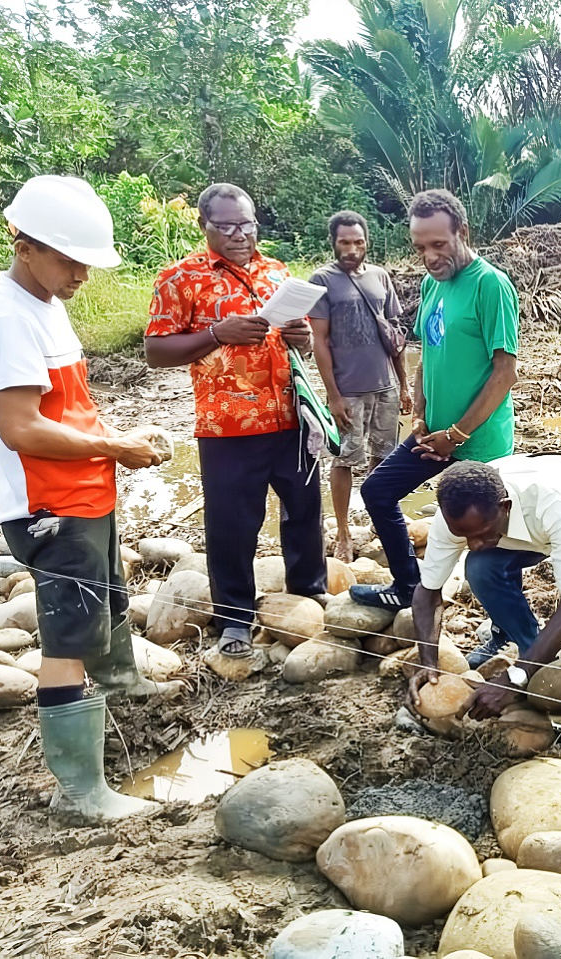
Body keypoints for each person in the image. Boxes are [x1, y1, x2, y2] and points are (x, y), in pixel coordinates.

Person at [0, 176, 176, 821]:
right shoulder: (7, 316)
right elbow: (21, 427)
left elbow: (63, 408)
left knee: (108, 593)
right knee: (65, 642)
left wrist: (117, 438)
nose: (82, 276)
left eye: (87, 264)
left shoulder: (45, 303)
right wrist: (115, 448)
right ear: (25, 245)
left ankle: (124, 682)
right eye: (72, 261)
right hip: (50, 508)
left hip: (85, 491)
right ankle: (80, 790)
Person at [145, 183, 327, 658]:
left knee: (304, 511)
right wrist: (215, 333)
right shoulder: (180, 278)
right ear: (205, 226)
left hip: (290, 415)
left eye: (246, 223)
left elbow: (297, 346)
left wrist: (301, 336)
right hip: (228, 428)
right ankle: (235, 618)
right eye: (226, 226)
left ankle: (308, 595)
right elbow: (155, 351)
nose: (239, 234)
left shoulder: (277, 272)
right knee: (232, 525)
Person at [351, 189, 519, 610]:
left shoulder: (490, 285)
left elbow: (505, 374)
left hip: (477, 444)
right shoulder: (432, 284)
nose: (429, 256)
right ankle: (408, 584)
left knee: (492, 540)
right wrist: (422, 415)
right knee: (377, 491)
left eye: (439, 245)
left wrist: (457, 434)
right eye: (420, 247)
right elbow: (428, 352)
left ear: (463, 231)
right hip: (434, 436)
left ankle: (504, 629)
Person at [409, 456, 561, 711]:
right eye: (464, 536)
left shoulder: (552, 501)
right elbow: (427, 593)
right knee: (480, 568)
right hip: (535, 534)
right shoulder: (459, 516)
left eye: (480, 534)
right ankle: (531, 651)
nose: (473, 545)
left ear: (504, 507)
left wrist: (513, 679)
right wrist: (428, 662)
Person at [308, 211, 412, 563]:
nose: (352, 249)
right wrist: (333, 396)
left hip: (385, 387)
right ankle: (342, 532)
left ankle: (381, 522)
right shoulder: (322, 280)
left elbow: (394, 336)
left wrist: (404, 385)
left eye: (358, 242)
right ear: (334, 243)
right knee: (343, 461)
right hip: (348, 391)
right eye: (344, 242)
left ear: (367, 242)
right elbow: (319, 342)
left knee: (384, 461)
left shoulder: (381, 277)